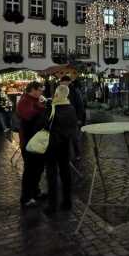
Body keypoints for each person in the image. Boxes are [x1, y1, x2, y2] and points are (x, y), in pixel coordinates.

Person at [43, 85, 77, 216]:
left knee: (51, 175)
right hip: (65, 144)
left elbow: (44, 124)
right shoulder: (71, 108)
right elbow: (73, 126)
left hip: (52, 145)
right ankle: (67, 202)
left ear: (57, 94)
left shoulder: (52, 108)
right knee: (65, 173)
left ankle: (52, 206)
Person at [17, 81, 46, 208]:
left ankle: (35, 192)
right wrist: (41, 109)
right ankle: (26, 198)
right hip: (29, 142)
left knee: (38, 169)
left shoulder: (34, 100)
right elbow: (28, 115)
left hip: (37, 141)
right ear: (33, 90)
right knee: (30, 170)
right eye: (40, 90)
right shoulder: (25, 101)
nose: (41, 92)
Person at [60, 76, 85, 160]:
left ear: (68, 82)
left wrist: (79, 118)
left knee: (74, 138)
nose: (62, 84)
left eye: (63, 82)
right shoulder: (60, 90)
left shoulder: (75, 90)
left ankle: (77, 154)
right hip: (62, 118)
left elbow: (80, 105)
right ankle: (66, 154)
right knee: (64, 138)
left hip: (73, 118)